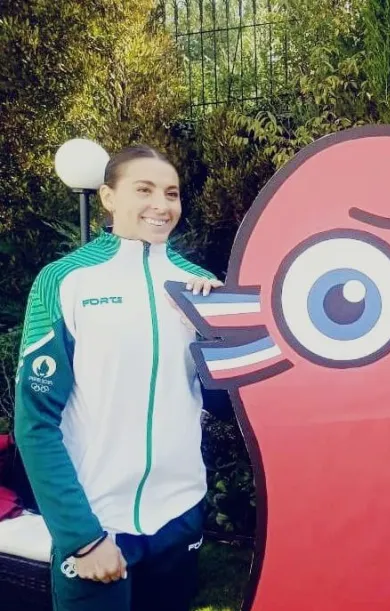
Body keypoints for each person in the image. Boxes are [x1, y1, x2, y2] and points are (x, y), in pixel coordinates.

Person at [13, 145, 229, 611]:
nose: (161, 205)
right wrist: (81, 538)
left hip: (179, 519)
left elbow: (226, 407)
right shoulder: (66, 281)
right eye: (144, 190)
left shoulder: (200, 285)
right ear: (108, 197)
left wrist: (217, 335)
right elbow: (35, 424)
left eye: (171, 193)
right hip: (97, 523)